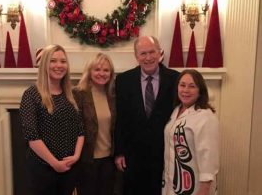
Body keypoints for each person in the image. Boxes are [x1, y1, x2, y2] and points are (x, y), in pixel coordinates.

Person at [114, 36, 180, 195]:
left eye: (152, 52)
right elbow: (120, 118)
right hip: (133, 155)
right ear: (136, 56)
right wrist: (119, 152)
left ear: (160, 53)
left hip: (165, 153)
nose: (148, 57)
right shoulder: (123, 80)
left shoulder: (176, 79)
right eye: (143, 53)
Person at [19, 44, 84, 195]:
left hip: (69, 169)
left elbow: (80, 129)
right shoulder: (31, 94)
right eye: (53, 61)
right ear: (44, 64)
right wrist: (55, 163)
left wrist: (76, 156)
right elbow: (31, 135)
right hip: (43, 170)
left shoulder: (71, 94)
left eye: (63, 61)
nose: (59, 65)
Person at [162, 69, 219, 195]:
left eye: (192, 86)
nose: (185, 90)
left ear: (200, 91)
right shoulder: (176, 110)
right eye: (182, 85)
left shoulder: (205, 117)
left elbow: (209, 157)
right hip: (172, 183)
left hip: (195, 187)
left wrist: (204, 190)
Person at [72, 52, 117, 195]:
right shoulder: (78, 94)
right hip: (86, 161)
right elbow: (74, 129)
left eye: (106, 70)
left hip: (109, 161)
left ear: (111, 73)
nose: (101, 73)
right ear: (89, 71)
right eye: (97, 69)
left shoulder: (114, 95)